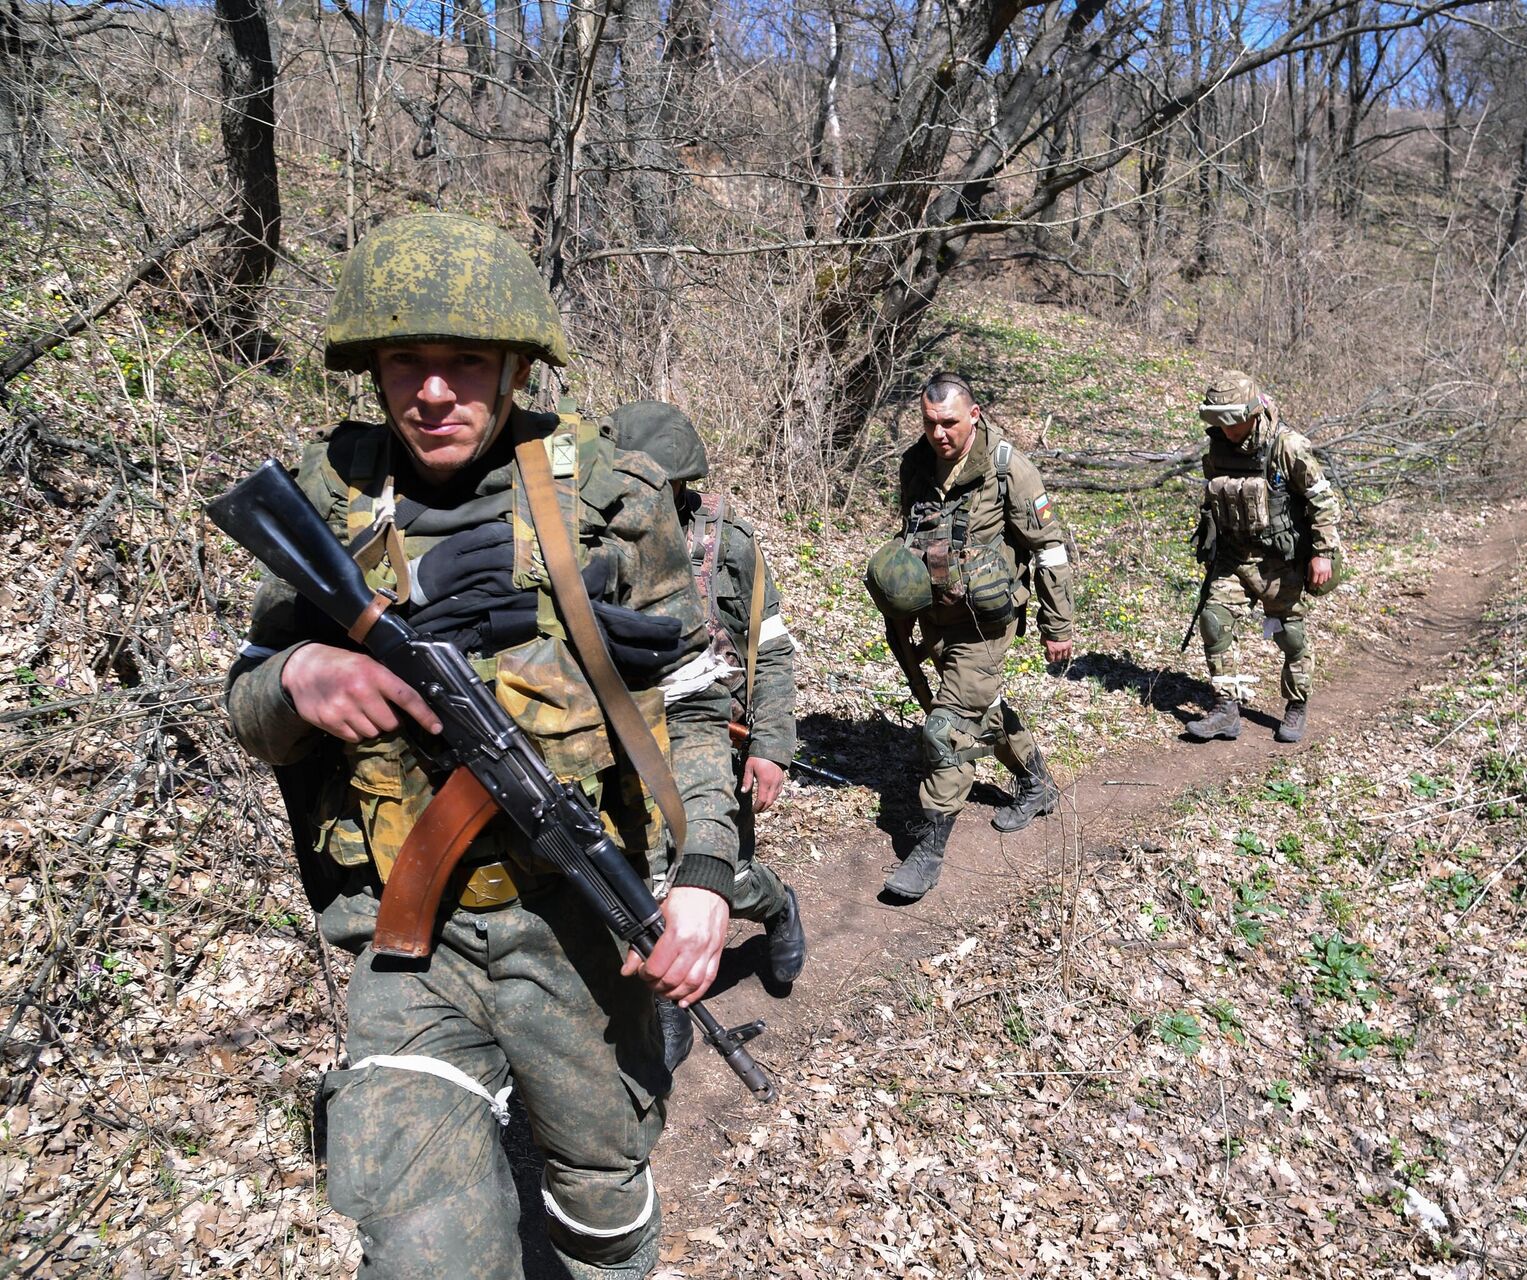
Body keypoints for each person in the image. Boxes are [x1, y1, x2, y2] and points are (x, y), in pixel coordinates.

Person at [223, 213, 737, 1278]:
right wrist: (299, 678)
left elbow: (689, 703)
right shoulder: (331, 499)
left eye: (467, 362)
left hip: (575, 923)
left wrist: (704, 874)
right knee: (423, 1247)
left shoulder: (612, 499)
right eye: (408, 360)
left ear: (515, 367)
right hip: (409, 939)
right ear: (373, 369)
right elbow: (247, 707)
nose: (435, 391)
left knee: (601, 1190)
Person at [609, 400, 807, 1064]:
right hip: (625, 744)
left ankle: (776, 901)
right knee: (640, 880)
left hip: (712, 743)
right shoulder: (597, 544)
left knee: (714, 872)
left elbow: (772, 649)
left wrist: (772, 745)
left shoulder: (731, 547)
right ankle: (665, 1008)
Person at [864, 372, 1075, 901]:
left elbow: (1049, 548)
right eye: (930, 422)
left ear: (974, 415)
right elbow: (911, 533)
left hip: (986, 625)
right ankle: (1037, 783)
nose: (938, 434)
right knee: (982, 708)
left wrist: (1058, 626)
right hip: (936, 618)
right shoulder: (916, 463)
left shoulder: (1009, 470)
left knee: (947, 728)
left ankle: (929, 849)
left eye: (949, 423)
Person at [1186, 371, 1343, 745]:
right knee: (1214, 620)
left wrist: (1321, 553)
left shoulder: (1287, 446)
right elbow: (1216, 500)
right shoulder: (1218, 448)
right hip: (1234, 555)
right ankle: (1226, 709)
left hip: (1280, 559)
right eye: (1217, 420)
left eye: (1231, 420)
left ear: (1253, 413)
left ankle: (1296, 704)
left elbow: (1322, 501)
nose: (1225, 429)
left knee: (1290, 635)